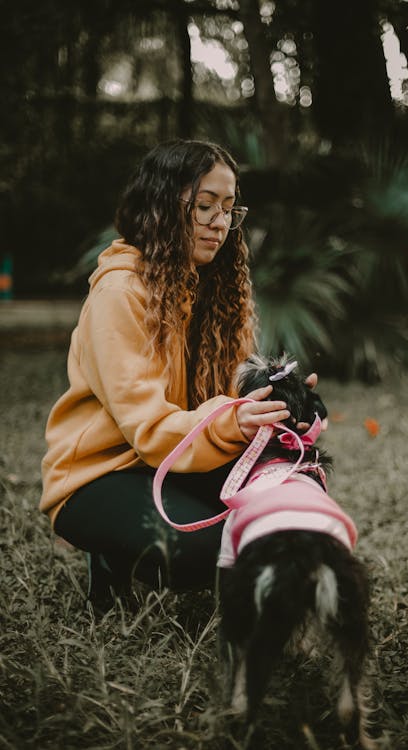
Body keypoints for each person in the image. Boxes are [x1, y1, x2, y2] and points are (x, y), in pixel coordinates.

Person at [40, 139, 323, 611]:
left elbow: (229, 394)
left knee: (284, 503)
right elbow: (148, 430)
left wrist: (279, 407)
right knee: (211, 549)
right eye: (204, 206)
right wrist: (235, 420)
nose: (220, 223)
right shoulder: (120, 294)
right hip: (98, 474)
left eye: (230, 208)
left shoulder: (216, 287)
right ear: (161, 207)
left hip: (177, 459)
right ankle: (111, 555)